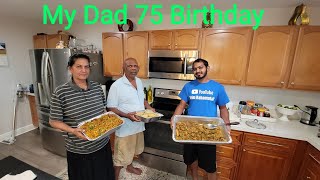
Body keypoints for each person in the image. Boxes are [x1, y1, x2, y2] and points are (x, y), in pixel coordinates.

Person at [49, 54, 115, 180]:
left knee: (104, 176)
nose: (83, 70)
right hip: (79, 149)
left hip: (102, 144)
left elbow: (103, 111)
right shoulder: (61, 92)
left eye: (86, 67)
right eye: (79, 66)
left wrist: (111, 121)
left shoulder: (97, 87)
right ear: (70, 68)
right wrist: (73, 130)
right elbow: (54, 121)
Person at [171, 58, 230, 180]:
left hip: (209, 131)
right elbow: (181, 105)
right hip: (189, 130)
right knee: (192, 159)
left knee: (210, 166)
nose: (198, 71)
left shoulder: (217, 87)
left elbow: (223, 108)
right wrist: (174, 118)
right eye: (195, 69)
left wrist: (227, 125)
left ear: (207, 68)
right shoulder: (188, 86)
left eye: (200, 68)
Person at [107, 58, 155, 180]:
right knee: (120, 157)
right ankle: (115, 177)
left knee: (133, 151)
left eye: (135, 66)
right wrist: (127, 115)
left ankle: (129, 167)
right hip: (125, 128)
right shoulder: (116, 86)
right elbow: (111, 108)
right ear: (124, 68)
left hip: (138, 125)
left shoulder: (139, 81)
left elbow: (142, 98)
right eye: (130, 66)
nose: (133, 68)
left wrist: (149, 107)